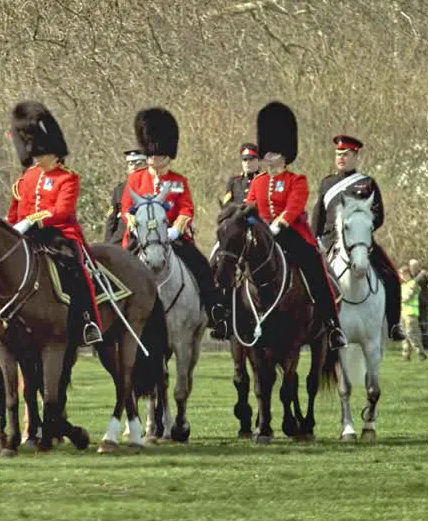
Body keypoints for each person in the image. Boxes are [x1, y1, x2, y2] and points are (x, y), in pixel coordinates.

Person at [242, 102, 348, 351]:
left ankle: (332, 324)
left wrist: (278, 224)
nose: (267, 155)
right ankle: (228, 315)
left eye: (272, 151)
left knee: (314, 266)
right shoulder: (258, 182)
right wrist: (251, 224)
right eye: (266, 151)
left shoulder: (296, 180)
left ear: (284, 152)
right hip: (262, 234)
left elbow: (295, 206)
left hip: (290, 233)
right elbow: (249, 207)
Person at [7, 101, 104, 345]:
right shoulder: (29, 176)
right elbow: (20, 206)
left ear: (54, 153)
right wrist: (14, 226)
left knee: (74, 267)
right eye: (35, 154)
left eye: (41, 154)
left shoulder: (68, 178)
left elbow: (62, 211)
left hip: (59, 233)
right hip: (29, 234)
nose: (37, 159)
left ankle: (87, 319)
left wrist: (32, 221)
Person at [122, 107, 219, 331]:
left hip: (173, 238)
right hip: (142, 238)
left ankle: (213, 310)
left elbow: (186, 209)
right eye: (151, 154)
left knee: (201, 266)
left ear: (167, 156)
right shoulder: (136, 179)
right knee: (119, 270)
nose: (153, 158)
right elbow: (127, 208)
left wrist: (175, 230)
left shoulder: (178, 181)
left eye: (158, 154)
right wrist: (136, 228)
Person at [313, 135, 405, 341]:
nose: (340, 158)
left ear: (355, 156)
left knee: (391, 275)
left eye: (345, 154)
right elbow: (317, 216)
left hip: (360, 243)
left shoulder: (367, 182)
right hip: (330, 242)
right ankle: (317, 327)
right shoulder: (327, 183)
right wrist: (315, 240)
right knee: (312, 280)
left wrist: (361, 232)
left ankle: (394, 325)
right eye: (338, 154)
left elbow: (378, 215)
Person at [105, 149, 147, 244]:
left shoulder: (154, 186)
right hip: (122, 235)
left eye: (138, 164)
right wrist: (107, 244)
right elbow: (111, 220)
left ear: (147, 165)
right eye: (130, 164)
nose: (134, 167)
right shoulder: (119, 190)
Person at [400, 265, 425, 361]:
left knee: (411, 334)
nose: (401, 277)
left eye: (402, 274)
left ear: (407, 274)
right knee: (403, 335)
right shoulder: (403, 286)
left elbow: (407, 298)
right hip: (403, 313)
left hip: (411, 314)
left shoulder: (413, 284)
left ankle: (420, 353)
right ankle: (406, 355)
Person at [412, 259, 428, 353]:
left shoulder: (423, 274)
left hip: (422, 304)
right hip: (411, 305)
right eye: (411, 267)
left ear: (418, 266)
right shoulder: (409, 275)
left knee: (423, 325)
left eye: (414, 266)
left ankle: (426, 345)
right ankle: (415, 346)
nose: (412, 268)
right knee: (412, 326)